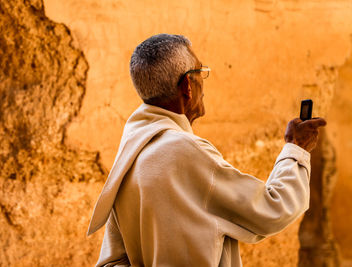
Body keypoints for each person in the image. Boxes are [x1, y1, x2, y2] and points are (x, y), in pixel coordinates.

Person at [87, 34, 327, 267]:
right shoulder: (183, 151)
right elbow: (274, 208)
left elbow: (114, 260)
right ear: (187, 85)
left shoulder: (131, 150)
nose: (204, 82)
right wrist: (295, 148)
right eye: (201, 73)